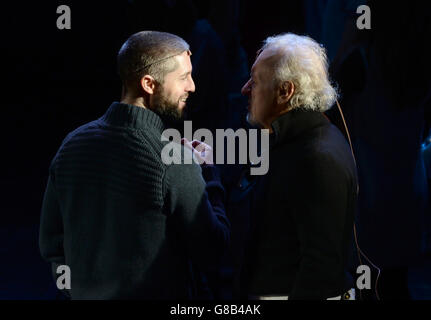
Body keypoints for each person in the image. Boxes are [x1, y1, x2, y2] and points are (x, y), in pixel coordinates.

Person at [39, 31, 230, 300]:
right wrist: (209, 174)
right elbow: (213, 249)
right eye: (183, 77)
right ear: (149, 84)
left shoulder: (71, 145)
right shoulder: (173, 160)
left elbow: (52, 244)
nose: (193, 87)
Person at [237, 33, 358, 300]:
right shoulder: (292, 140)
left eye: (255, 82)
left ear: (285, 91)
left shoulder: (318, 158)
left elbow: (320, 269)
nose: (245, 89)